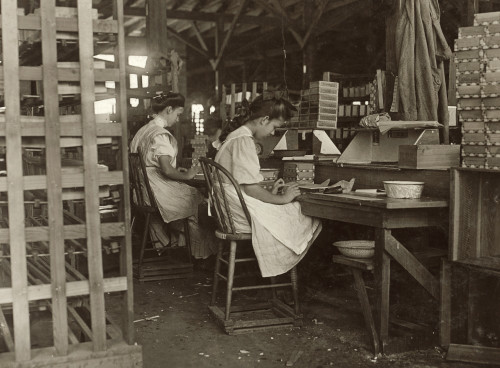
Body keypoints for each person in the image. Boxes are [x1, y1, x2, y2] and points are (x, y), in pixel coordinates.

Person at [214, 94, 322, 277]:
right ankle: (290, 275)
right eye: (274, 126)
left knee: (291, 211)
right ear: (264, 120)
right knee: (304, 213)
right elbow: (249, 188)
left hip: (230, 209)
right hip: (239, 214)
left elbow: (246, 187)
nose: (272, 133)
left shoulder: (233, 137)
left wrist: (269, 194)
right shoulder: (244, 141)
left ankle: (286, 274)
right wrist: (281, 198)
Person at [130, 92, 217, 259]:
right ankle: (201, 255)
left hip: (143, 192)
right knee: (198, 200)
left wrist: (177, 171)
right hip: (156, 191)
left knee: (190, 198)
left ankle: (173, 245)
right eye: (178, 114)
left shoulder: (142, 131)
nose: (177, 119)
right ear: (169, 109)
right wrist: (189, 175)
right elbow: (167, 170)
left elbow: (157, 165)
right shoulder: (160, 135)